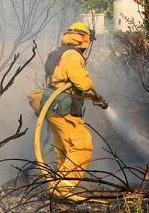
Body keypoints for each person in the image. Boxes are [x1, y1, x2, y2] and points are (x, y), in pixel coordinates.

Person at [43, 21, 107, 197]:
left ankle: (57, 186)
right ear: (84, 38)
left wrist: (93, 97)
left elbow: (64, 82)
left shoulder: (59, 53)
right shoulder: (73, 55)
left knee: (63, 148)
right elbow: (82, 82)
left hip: (52, 105)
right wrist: (92, 89)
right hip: (65, 108)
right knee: (82, 146)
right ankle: (62, 189)